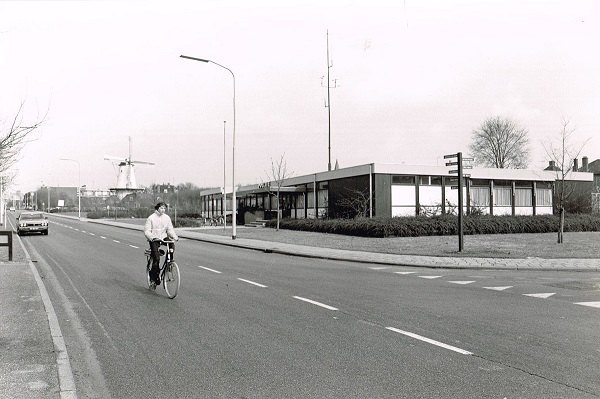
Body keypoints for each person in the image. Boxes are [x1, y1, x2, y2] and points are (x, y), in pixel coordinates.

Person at [144, 202, 178, 286]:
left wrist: (174, 236)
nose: (163, 210)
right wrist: (152, 237)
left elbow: (170, 229)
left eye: (164, 208)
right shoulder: (151, 218)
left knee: (171, 245)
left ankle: (169, 262)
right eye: (161, 208)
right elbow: (147, 231)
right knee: (157, 259)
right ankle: (153, 278)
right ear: (157, 208)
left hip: (163, 237)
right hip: (154, 238)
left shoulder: (167, 218)